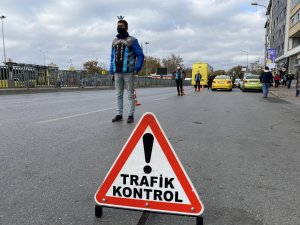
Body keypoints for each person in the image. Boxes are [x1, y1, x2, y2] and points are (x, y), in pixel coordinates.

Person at [110, 19, 144, 123]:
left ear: (126, 27)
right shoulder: (114, 41)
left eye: (121, 26)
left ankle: (130, 115)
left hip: (129, 72)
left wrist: (137, 69)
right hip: (117, 72)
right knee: (118, 94)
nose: (119, 27)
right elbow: (112, 57)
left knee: (130, 94)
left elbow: (140, 55)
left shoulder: (132, 40)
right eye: (118, 26)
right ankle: (119, 114)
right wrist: (112, 71)